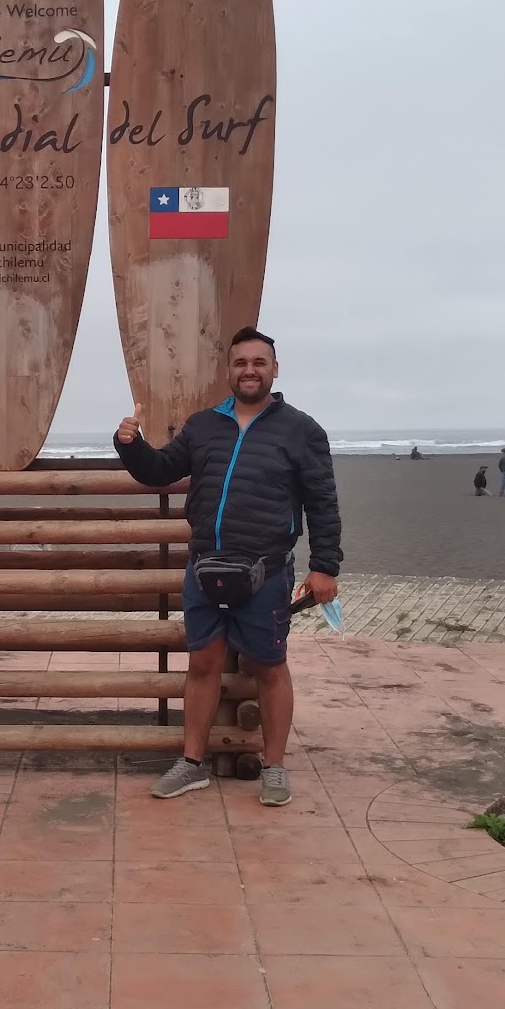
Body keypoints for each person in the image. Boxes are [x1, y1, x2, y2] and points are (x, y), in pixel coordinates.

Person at [114, 326, 342, 807]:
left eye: (259, 362)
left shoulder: (302, 430)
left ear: (275, 369)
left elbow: (323, 503)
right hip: (205, 567)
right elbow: (160, 470)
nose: (249, 371)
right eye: (241, 363)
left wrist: (324, 568)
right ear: (229, 371)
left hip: (266, 570)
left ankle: (274, 767)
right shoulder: (203, 426)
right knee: (203, 664)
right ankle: (191, 764)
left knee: (270, 667)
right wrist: (131, 445)